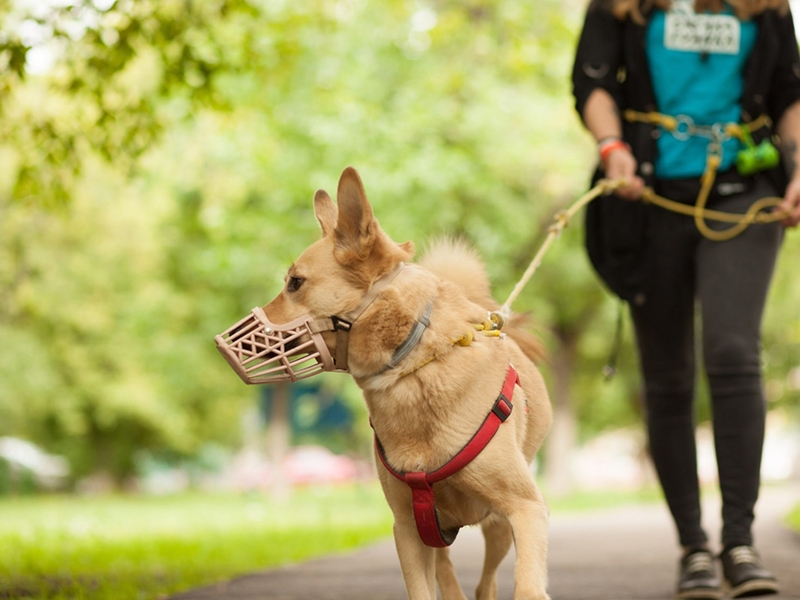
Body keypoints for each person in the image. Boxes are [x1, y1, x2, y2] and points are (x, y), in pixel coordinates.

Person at [571, 1, 800, 599]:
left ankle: (740, 542)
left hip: (744, 189)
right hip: (647, 195)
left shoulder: (766, 7)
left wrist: (799, 163)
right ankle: (693, 548)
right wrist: (611, 147)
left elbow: (788, 92)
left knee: (732, 351)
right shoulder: (621, 7)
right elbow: (592, 82)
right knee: (668, 376)